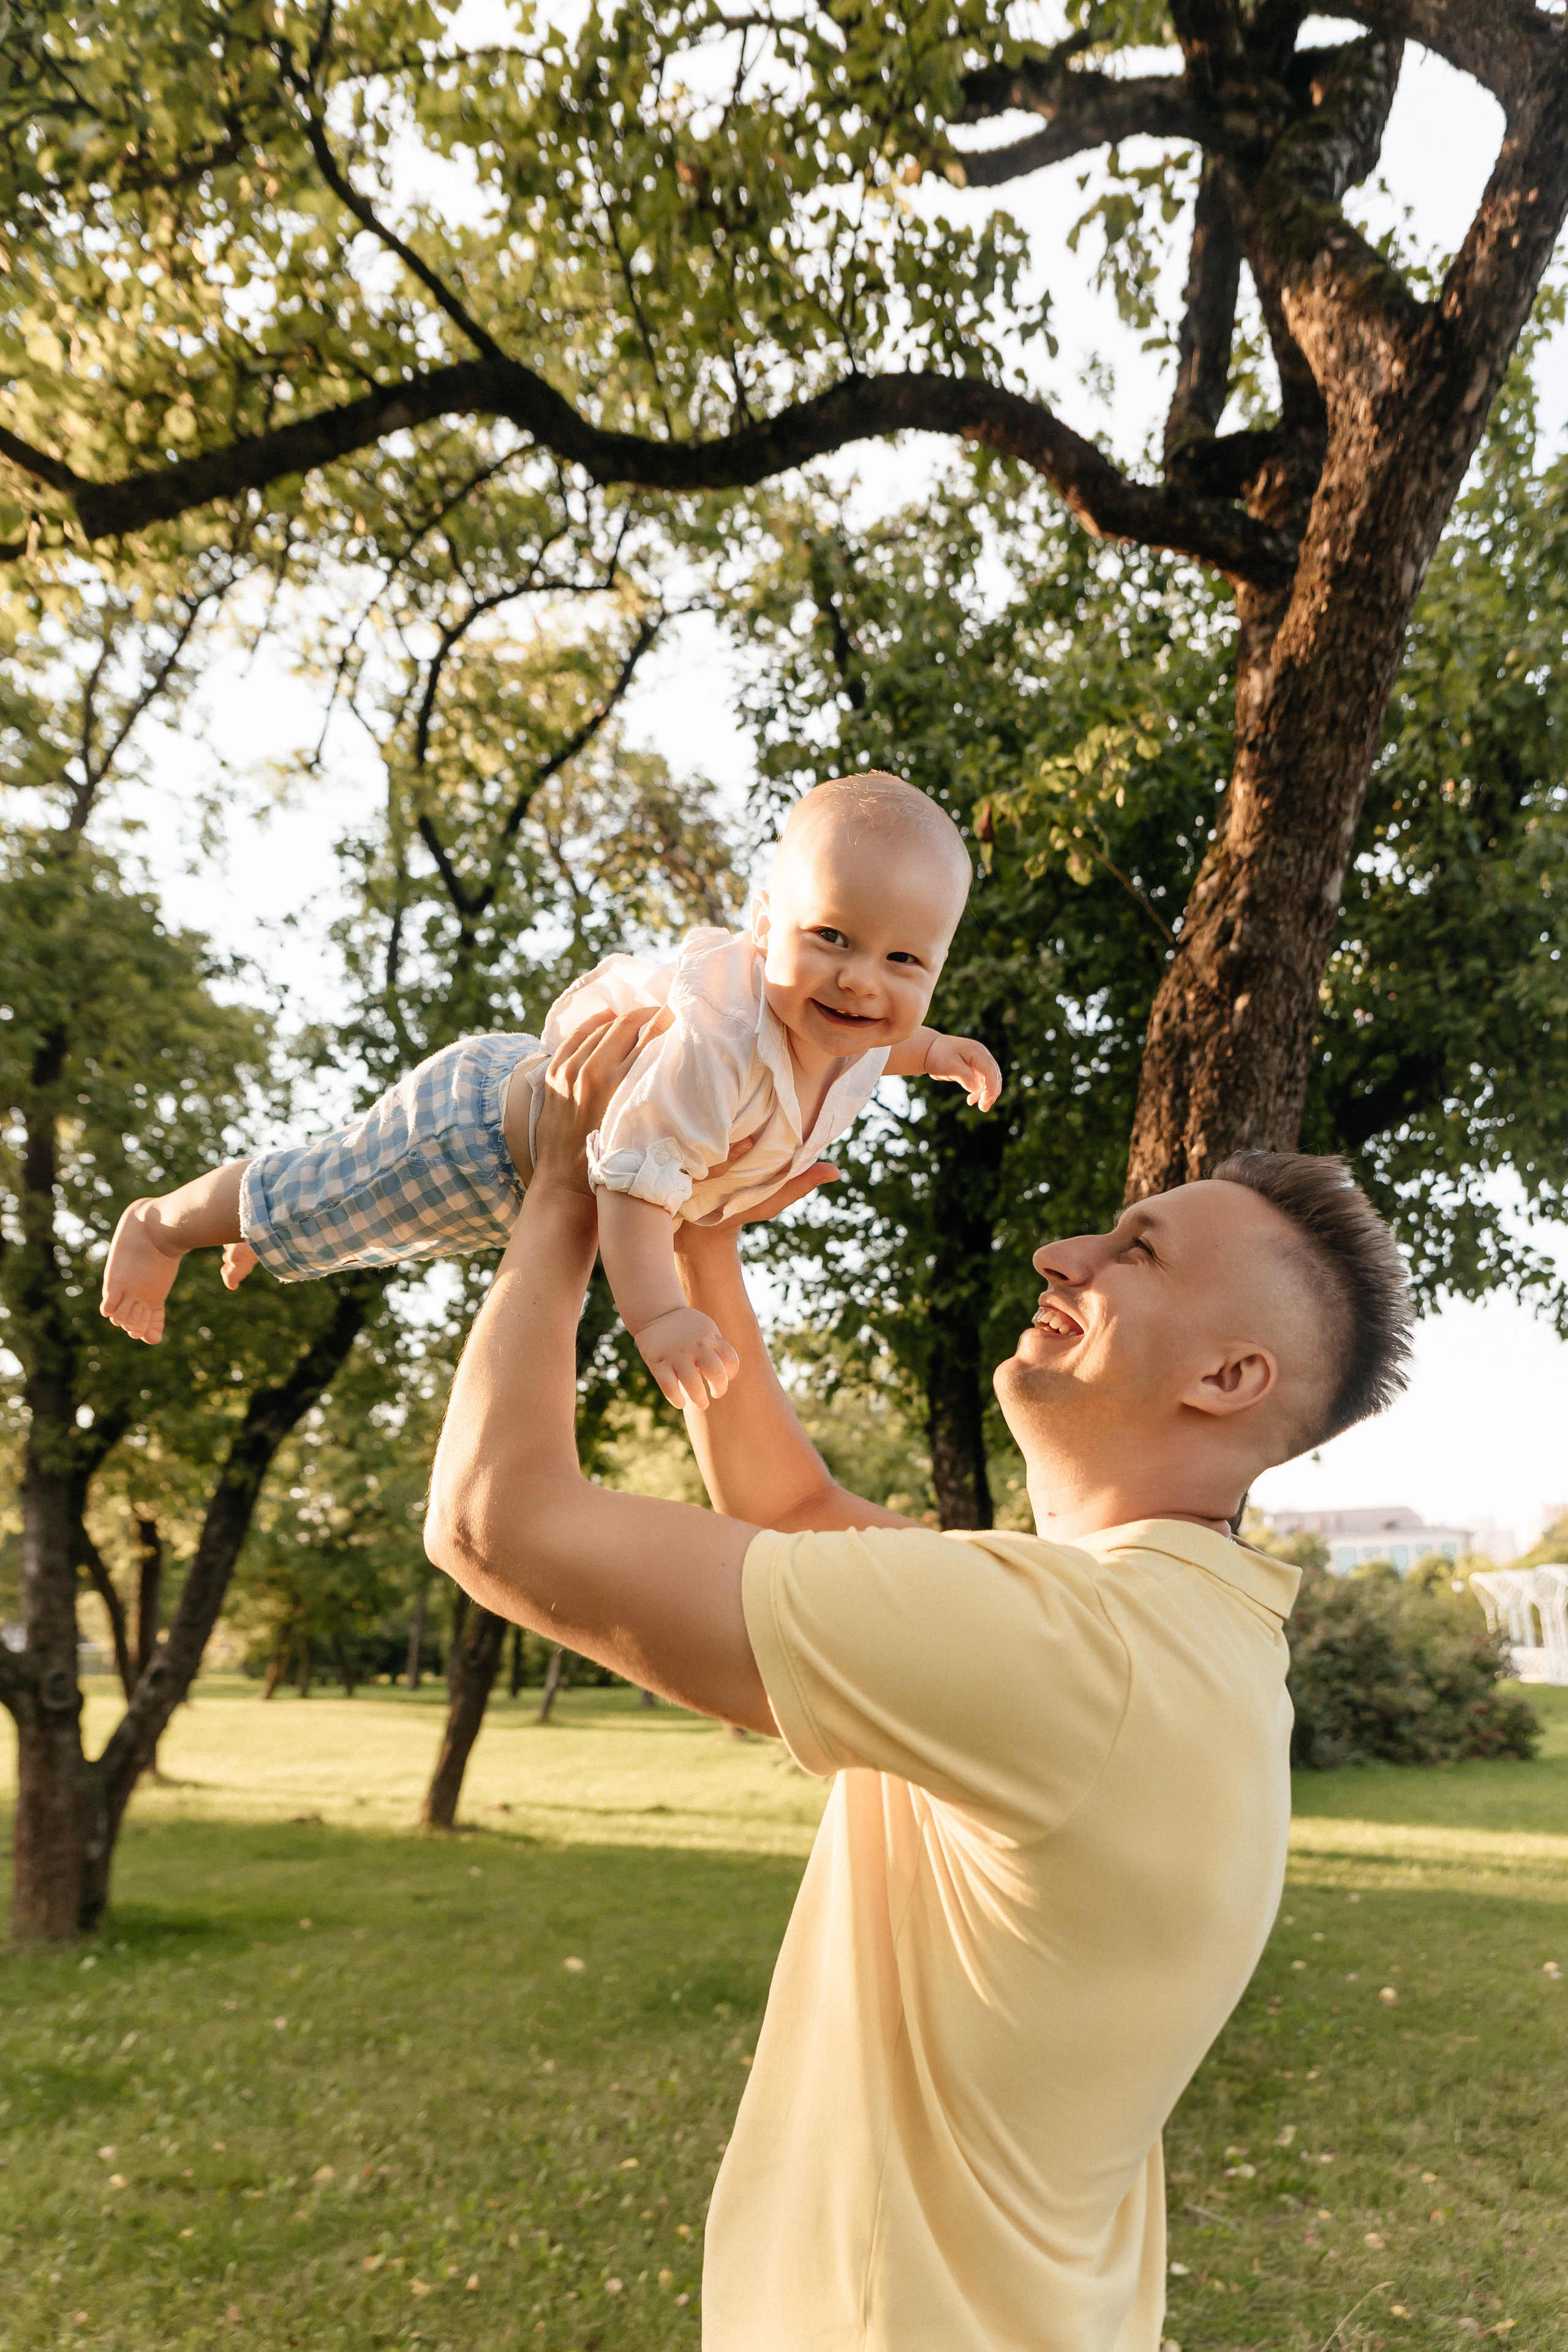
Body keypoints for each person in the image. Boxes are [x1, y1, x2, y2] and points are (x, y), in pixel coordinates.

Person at [422, 1009, 1414, 2352]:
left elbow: (495, 1523)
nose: (1061, 1253)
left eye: (1136, 1252)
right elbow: (791, 1504)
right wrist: (701, 1234)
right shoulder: (1183, 1627)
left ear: (1229, 1377)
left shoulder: (1073, 1650)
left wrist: (566, 1196)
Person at [98, 772, 1000, 1409]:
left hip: (527, 1161)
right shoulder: (718, 1052)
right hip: (474, 1141)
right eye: (833, 937)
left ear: (937, 965)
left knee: (327, 1208)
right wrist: (660, 1319)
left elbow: (890, 1044)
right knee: (318, 1196)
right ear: (765, 927)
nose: (860, 983)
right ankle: (164, 1223)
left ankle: (270, 1220)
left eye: (903, 960)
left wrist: (941, 1051)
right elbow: (634, 1194)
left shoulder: (849, 1036)